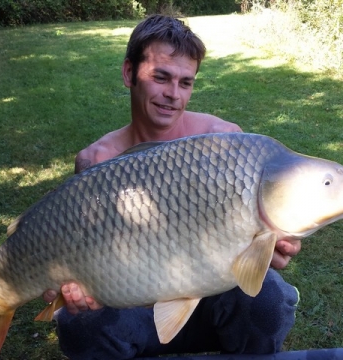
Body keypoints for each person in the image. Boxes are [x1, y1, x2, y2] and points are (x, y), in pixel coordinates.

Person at [43, 14, 301, 359]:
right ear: (129, 73)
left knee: (269, 300)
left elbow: (257, 235)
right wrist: (73, 285)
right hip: (134, 304)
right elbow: (84, 251)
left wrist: (267, 245)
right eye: (161, 77)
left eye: (185, 82)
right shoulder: (97, 160)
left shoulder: (223, 141)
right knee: (78, 324)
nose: (173, 95)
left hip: (214, 298)